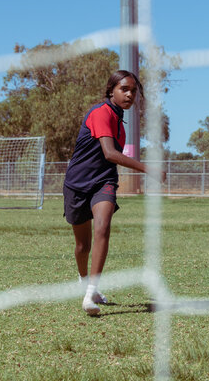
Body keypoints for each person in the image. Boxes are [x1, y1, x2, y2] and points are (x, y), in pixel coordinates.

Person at [63, 69, 163, 315]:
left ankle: (90, 295)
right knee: (82, 246)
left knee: (103, 227)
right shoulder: (101, 113)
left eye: (134, 91)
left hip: (104, 181)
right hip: (77, 184)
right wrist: (147, 168)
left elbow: (109, 161)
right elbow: (109, 152)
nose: (130, 95)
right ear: (111, 91)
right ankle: (84, 280)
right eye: (124, 89)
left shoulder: (120, 123)